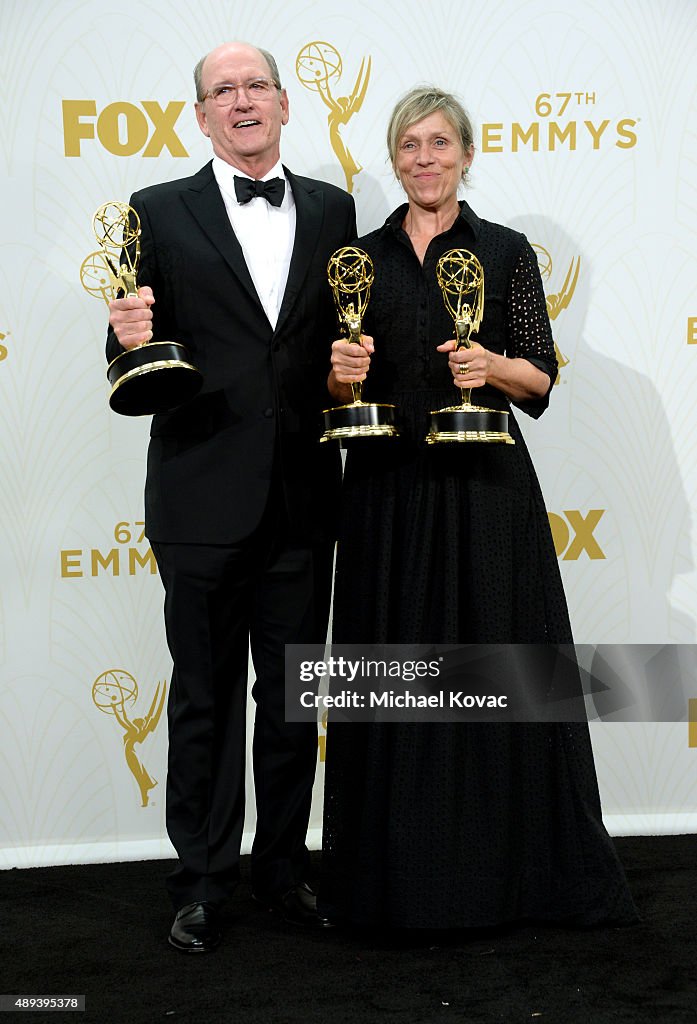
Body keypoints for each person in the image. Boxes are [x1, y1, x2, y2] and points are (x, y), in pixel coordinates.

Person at [319, 86, 637, 930]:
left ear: (466, 152)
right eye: (408, 147)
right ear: (392, 160)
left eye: (438, 144)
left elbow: (539, 378)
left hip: (487, 493)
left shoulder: (503, 253)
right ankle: (390, 882)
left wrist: (489, 366)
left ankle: (519, 877)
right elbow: (331, 385)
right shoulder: (358, 258)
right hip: (387, 496)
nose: (423, 159)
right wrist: (340, 371)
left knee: (503, 674)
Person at [107, 41, 357, 952]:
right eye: (223, 90)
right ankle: (204, 881)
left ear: (287, 106)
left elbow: (340, 341)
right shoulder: (154, 212)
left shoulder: (334, 209)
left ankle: (282, 871)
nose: (242, 101)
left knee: (292, 700)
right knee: (204, 698)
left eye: (256, 87)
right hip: (200, 498)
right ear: (200, 116)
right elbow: (132, 360)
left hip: (303, 495)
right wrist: (126, 334)